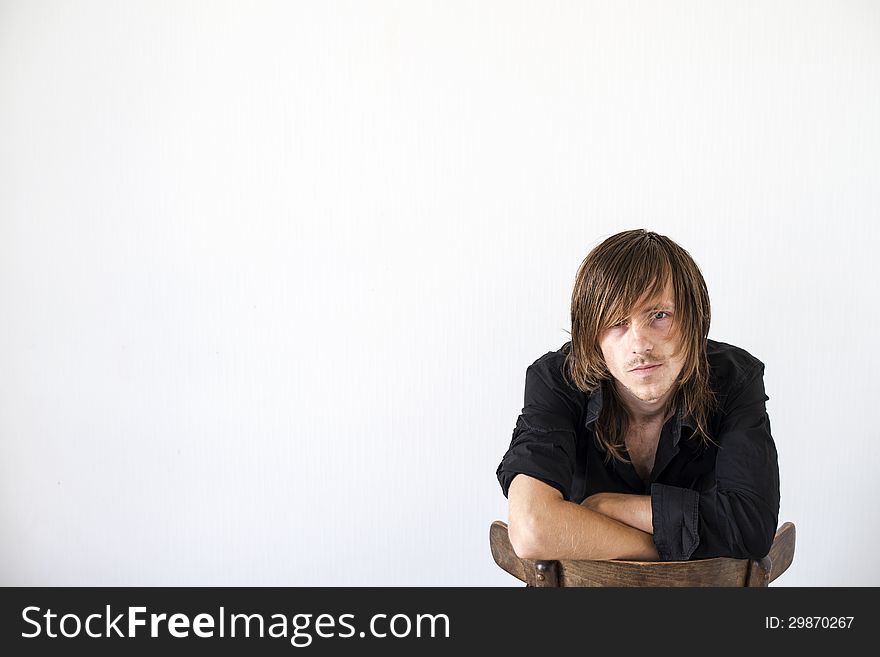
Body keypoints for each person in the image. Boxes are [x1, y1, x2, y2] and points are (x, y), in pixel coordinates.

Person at [496, 229, 780, 562]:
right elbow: (532, 529)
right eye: (617, 322)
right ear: (592, 337)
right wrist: (664, 552)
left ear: (694, 318)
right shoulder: (557, 379)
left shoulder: (734, 379)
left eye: (659, 316)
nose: (640, 345)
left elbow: (751, 528)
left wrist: (606, 508)